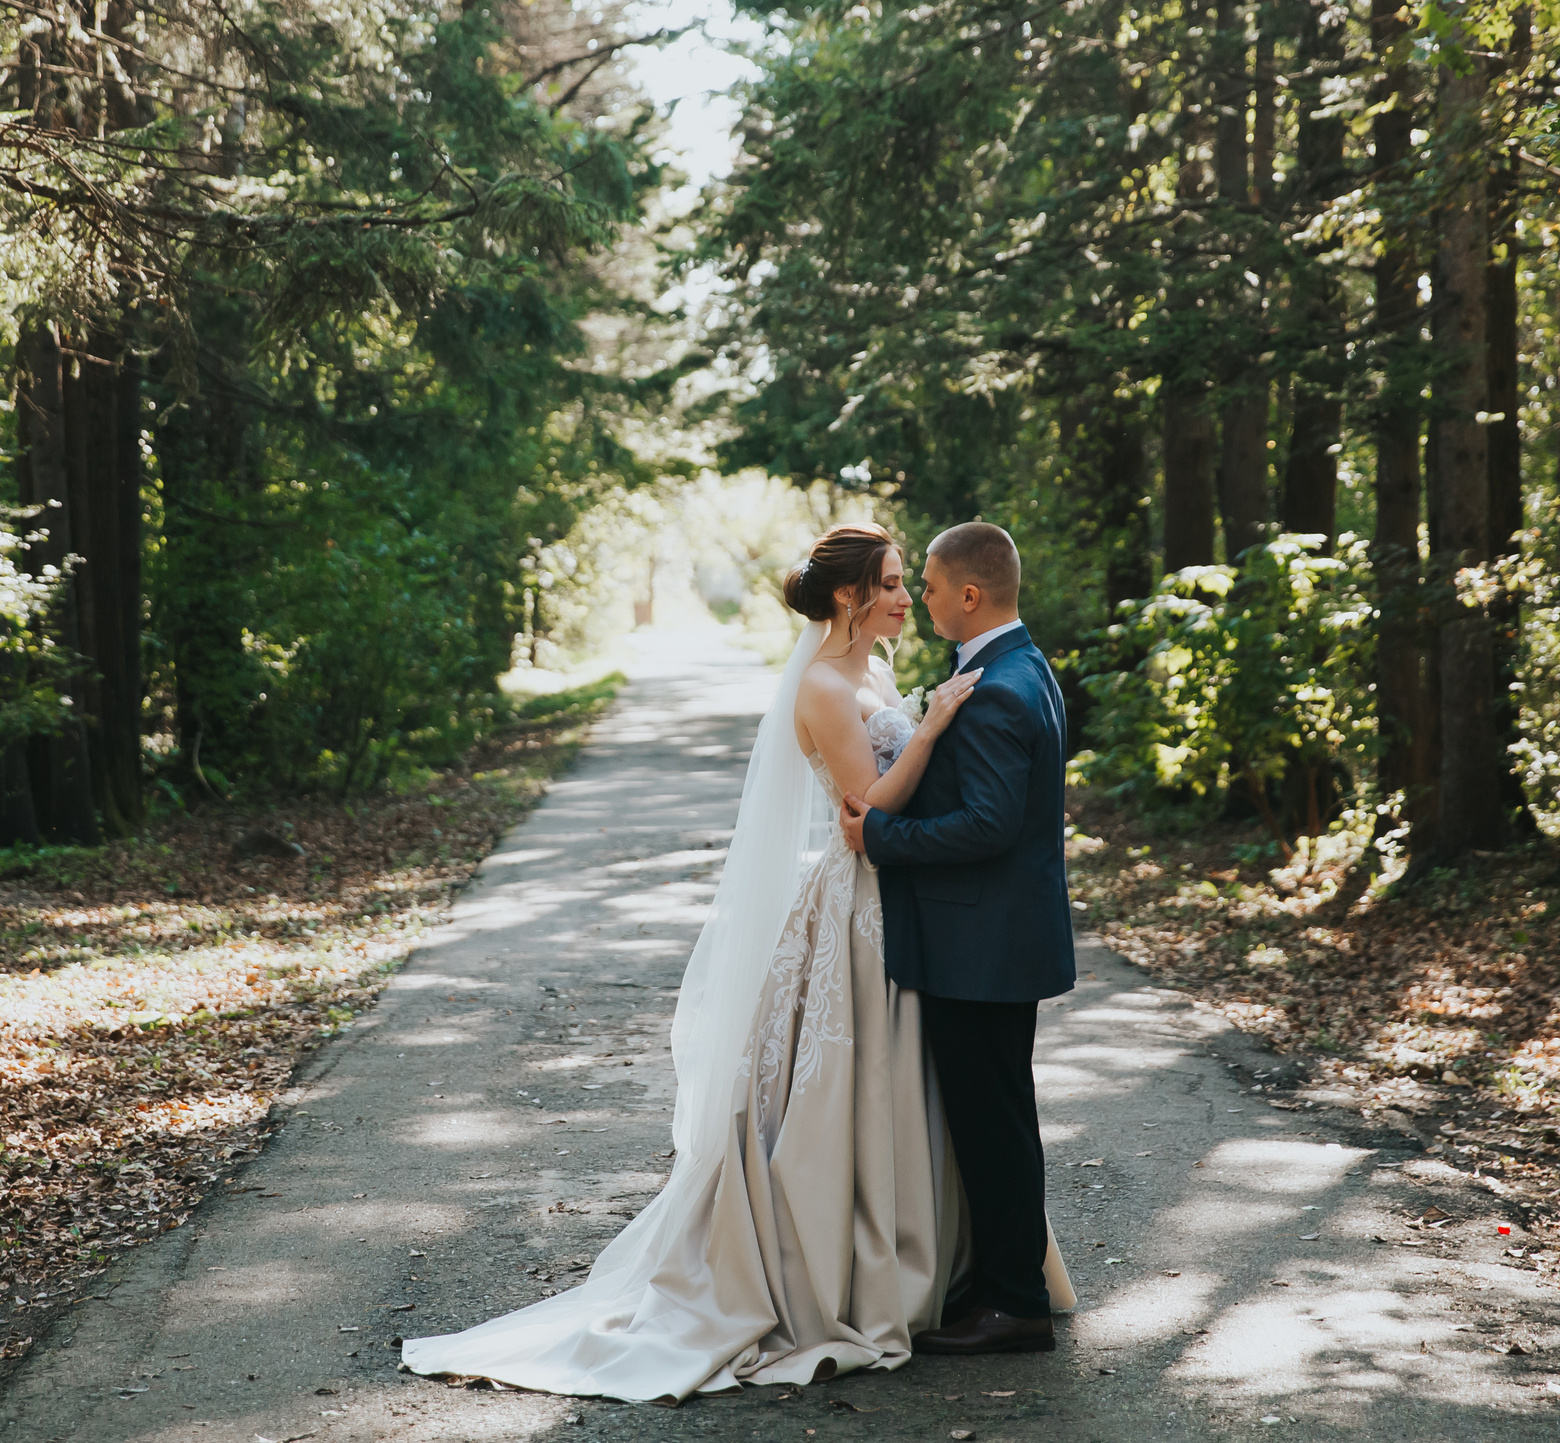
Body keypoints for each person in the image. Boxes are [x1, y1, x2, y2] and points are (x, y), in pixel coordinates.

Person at [399, 523, 1071, 1402]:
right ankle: (905, 1271)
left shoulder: (899, 673)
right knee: (888, 1091)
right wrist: (927, 739)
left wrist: (921, 746)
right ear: (849, 596)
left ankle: (972, 1277)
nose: (912, 597)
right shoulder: (833, 684)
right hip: (866, 902)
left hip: (921, 910)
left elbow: (959, 810)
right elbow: (863, 810)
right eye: (897, 583)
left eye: (920, 583)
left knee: (954, 1101)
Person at [840, 521, 1076, 1356]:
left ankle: (1012, 1304)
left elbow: (988, 823)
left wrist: (883, 839)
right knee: (998, 1116)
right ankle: (1001, 1282)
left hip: (983, 946)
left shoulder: (1000, 686)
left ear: (969, 595)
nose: (922, 599)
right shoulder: (1021, 665)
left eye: (930, 586)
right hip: (1000, 938)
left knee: (991, 1123)